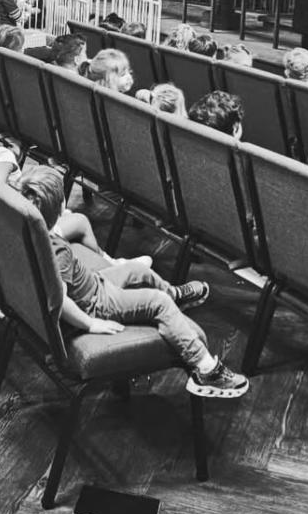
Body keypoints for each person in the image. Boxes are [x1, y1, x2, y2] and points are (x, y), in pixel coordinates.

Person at [16, 164, 248, 399]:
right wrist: (90, 324)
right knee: (158, 302)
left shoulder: (30, 235)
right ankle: (206, 369)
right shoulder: (57, 252)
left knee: (136, 269)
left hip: (93, 285)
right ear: (61, 207)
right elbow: (60, 299)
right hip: (97, 303)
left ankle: (174, 295)